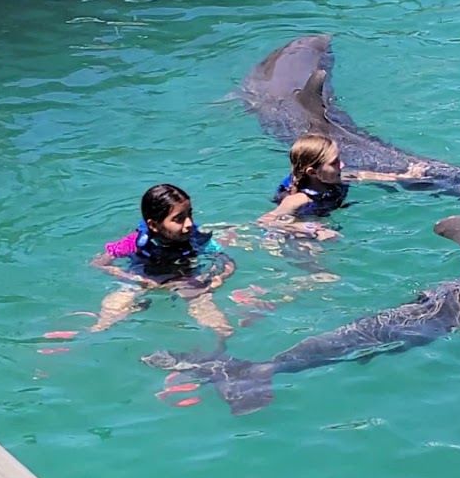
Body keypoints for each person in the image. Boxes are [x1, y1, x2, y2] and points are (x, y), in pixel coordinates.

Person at [84, 183, 237, 345]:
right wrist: (132, 277)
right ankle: (92, 334)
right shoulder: (134, 242)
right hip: (144, 277)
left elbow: (228, 263)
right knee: (117, 303)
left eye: (189, 214)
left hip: (184, 279)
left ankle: (222, 342)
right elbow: (99, 263)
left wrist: (218, 277)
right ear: (153, 225)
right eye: (179, 219)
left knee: (207, 310)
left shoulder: (197, 240)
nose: (189, 224)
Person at [257, 132, 428, 241]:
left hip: (322, 214)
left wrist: (403, 177)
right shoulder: (297, 200)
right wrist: (310, 229)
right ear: (312, 172)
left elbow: (362, 175)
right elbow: (265, 222)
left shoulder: (334, 177)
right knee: (318, 264)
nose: (342, 164)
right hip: (303, 222)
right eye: (334, 162)